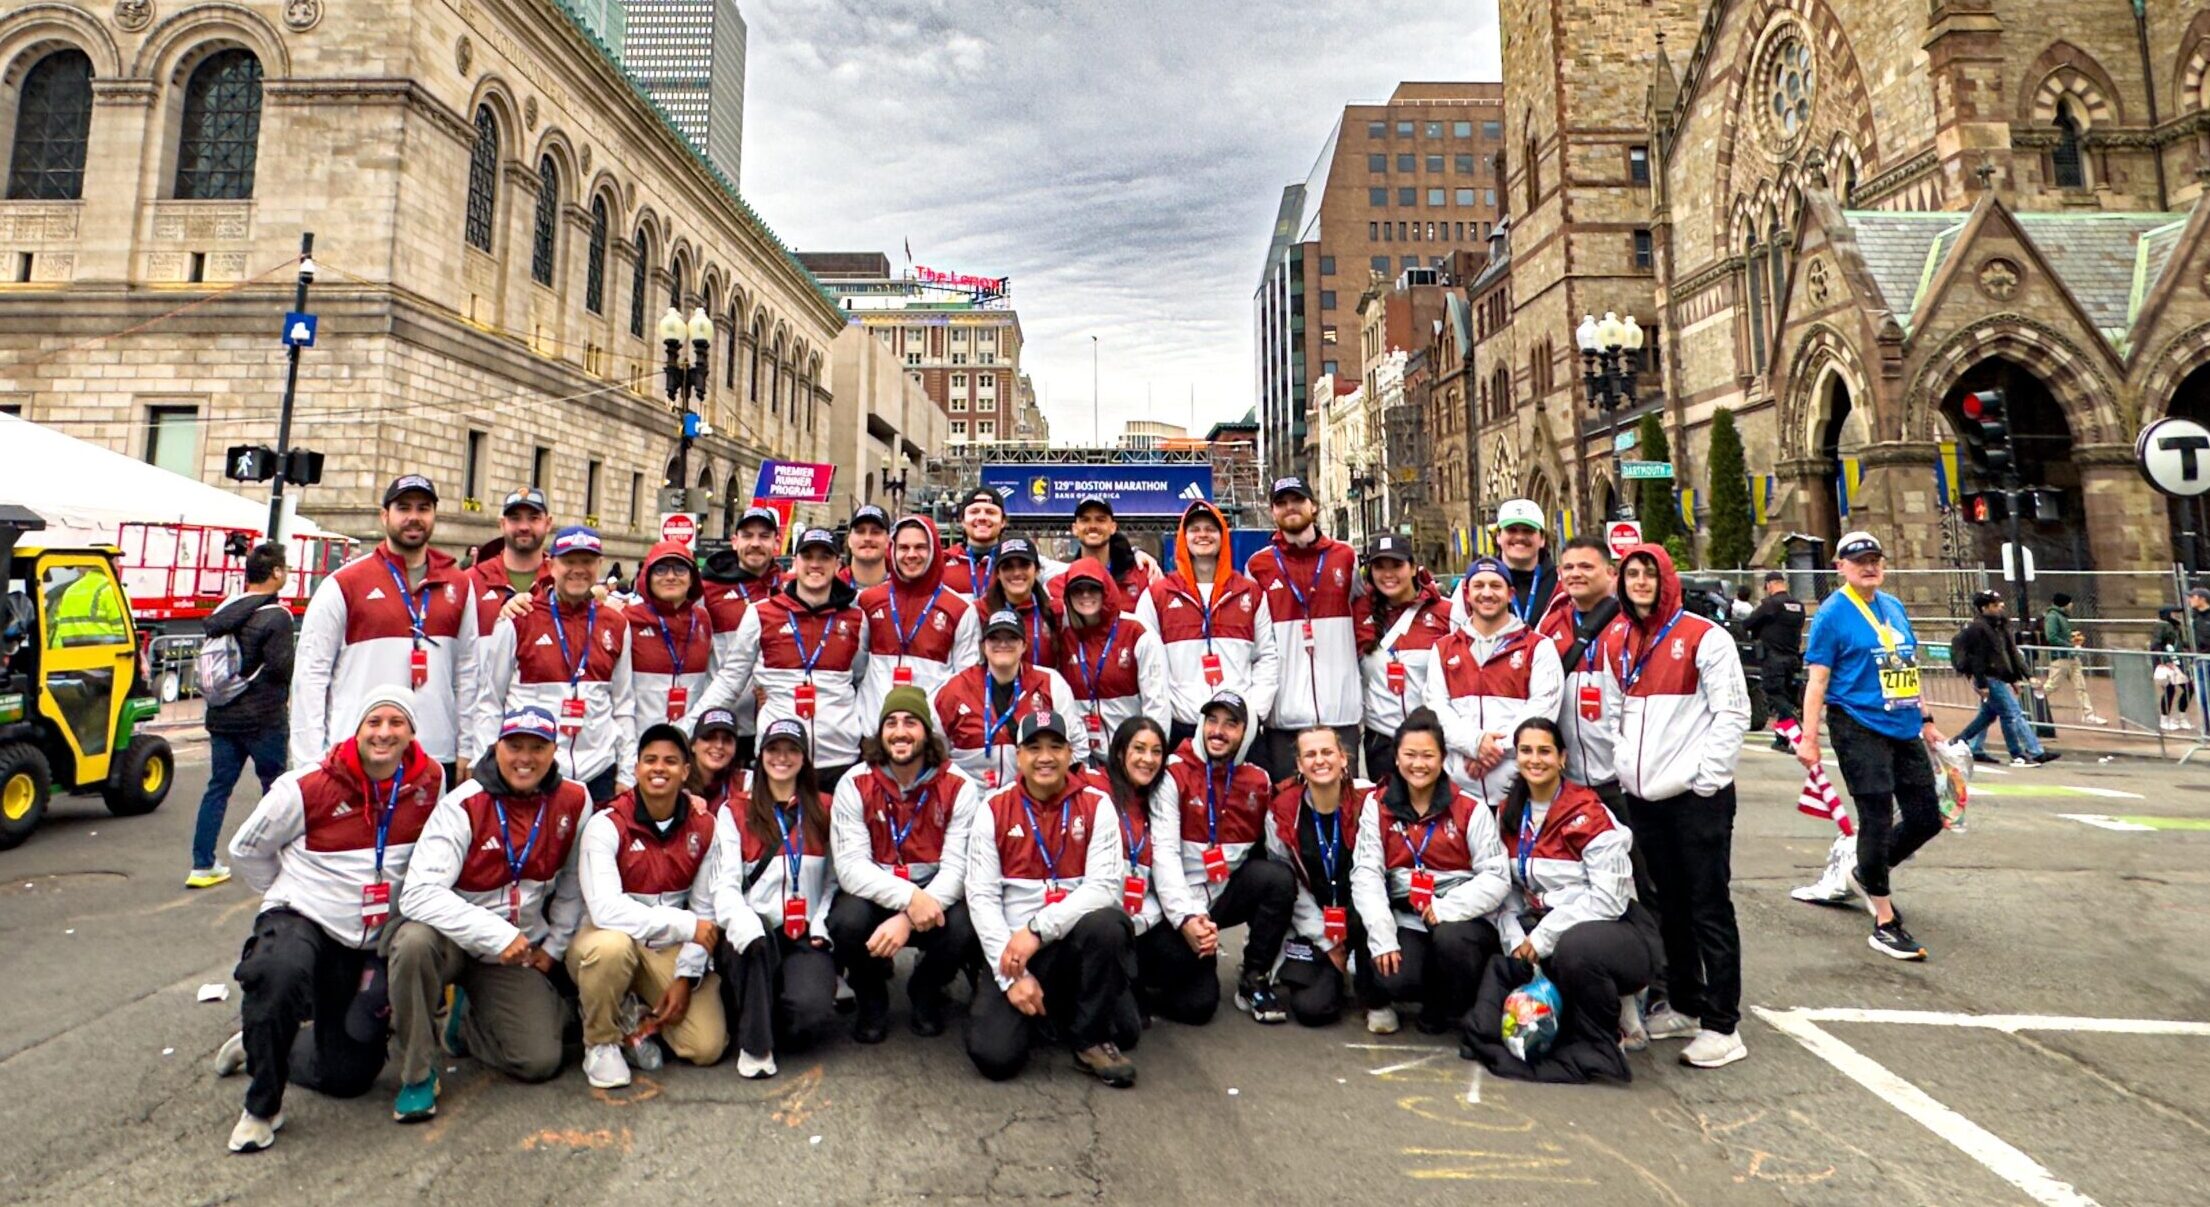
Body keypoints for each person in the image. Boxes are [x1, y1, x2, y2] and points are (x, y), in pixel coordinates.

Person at [217, 686, 445, 1153]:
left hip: (367, 940)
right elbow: (246, 849)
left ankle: (259, 1042)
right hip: (305, 918)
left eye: (395, 723)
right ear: (356, 731)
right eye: (373, 723)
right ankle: (262, 1107)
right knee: (277, 972)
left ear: (412, 732)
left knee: (348, 1077)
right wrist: (286, 894)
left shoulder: (430, 782)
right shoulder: (305, 787)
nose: (384, 733)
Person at [388, 705, 587, 1120]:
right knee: (412, 943)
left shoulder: (574, 799)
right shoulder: (463, 804)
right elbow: (418, 893)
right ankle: (418, 1075)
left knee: (540, 1061)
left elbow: (572, 883)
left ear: (555, 750)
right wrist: (495, 934)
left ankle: (466, 1024)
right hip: (454, 941)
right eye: (514, 746)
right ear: (497, 747)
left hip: (515, 953)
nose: (525, 758)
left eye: (538, 747)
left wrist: (554, 944)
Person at [1595, 543, 1750, 1068]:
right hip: (1645, 798)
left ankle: (1724, 1024)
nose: (1640, 582)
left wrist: (1707, 780)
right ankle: (1686, 1001)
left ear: (1667, 579)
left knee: (1708, 906)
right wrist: (1623, 766)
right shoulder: (1617, 637)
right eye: (1632, 573)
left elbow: (1732, 713)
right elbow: (1612, 710)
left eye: (1649, 574)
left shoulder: (1705, 637)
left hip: (1694, 798)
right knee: (1671, 908)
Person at [1465, 718, 1652, 1083]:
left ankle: (1607, 1034)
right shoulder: (1507, 811)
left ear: (1563, 758)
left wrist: (1542, 937)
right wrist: (1515, 937)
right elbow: (1506, 887)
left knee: (1574, 948)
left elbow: (1608, 900)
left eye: (1545, 751)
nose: (1535, 760)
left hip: (1612, 932)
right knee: (1491, 1027)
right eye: (1526, 751)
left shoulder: (1590, 812)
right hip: (1540, 927)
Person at [1794, 532, 1949, 966]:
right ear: (1840, 566)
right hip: (1856, 723)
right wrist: (1809, 737)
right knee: (1876, 814)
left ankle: (1867, 872)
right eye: (1859, 560)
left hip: (1902, 724)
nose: (1869, 566)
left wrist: (1927, 720)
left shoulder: (1893, 607)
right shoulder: (1831, 615)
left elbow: (1906, 668)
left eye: (1875, 559)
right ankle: (1884, 920)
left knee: (1926, 817)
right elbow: (1818, 681)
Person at [963, 711, 1137, 1086]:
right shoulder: (993, 808)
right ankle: (1040, 1006)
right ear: (1018, 755)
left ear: (1070, 752)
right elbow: (981, 897)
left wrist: (1039, 929)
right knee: (994, 1057)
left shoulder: (1096, 804)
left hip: (1069, 941)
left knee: (1108, 925)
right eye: (1035, 747)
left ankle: (1088, 1039)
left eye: (1056, 747)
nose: (1046, 757)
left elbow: (1105, 886)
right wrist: (1012, 978)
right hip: (1015, 951)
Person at [568, 724, 728, 1089]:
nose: (660, 768)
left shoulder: (704, 825)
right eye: (650, 760)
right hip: (608, 937)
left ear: (686, 771)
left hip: (665, 946)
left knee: (706, 1047)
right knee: (612, 949)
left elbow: (705, 909)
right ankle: (601, 1041)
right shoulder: (606, 824)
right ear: (637, 768)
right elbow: (606, 910)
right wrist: (685, 926)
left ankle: (633, 1016)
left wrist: (686, 977)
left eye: (671, 761)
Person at [292, 475, 475, 780]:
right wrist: (308, 764)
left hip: (434, 755)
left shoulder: (459, 584)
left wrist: (467, 746)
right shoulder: (344, 584)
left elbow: (470, 672)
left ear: (434, 516)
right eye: (404, 508)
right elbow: (310, 676)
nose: (414, 517)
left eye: (423, 508)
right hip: (357, 754)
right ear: (384, 515)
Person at [829, 687, 982, 1042]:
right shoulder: (855, 782)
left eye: (911, 722)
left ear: (926, 733)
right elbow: (851, 868)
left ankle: (925, 990)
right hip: (879, 893)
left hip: (934, 896)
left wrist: (910, 914)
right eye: (891, 723)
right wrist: (908, 900)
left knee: (964, 923)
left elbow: (958, 870)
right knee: (846, 920)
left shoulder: (958, 785)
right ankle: (871, 997)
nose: (900, 732)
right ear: (880, 733)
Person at [1348, 710, 1508, 1034]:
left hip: (1459, 919)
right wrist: (1383, 937)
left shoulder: (1471, 809)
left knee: (1452, 941)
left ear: (1443, 759)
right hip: (1407, 914)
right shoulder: (1376, 805)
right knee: (1391, 965)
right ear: (1395, 758)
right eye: (1409, 755)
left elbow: (1496, 877)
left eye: (1427, 756)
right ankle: (1378, 999)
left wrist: (1446, 908)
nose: (1418, 764)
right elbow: (1367, 873)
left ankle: (1447, 1006)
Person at [1145, 690, 1296, 1025]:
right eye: (1212, 720)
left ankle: (1254, 977)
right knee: (1198, 1007)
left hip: (1221, 893)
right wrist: (1186, 919)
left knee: (1277, 879)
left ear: (1247, 733)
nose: (1218, 731)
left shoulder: (1258, 780)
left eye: (1231, 724)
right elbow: (1164, 858)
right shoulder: (1172, 773)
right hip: (1176, 902)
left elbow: (1274, 852)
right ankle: (1143, 984)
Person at [709, 718, 840, 1078]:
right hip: (754, 935)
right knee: (756, 944)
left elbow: (834, 881)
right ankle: (756, 1048)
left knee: (809, 1014)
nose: (782, 757)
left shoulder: (826, 808)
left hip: (802, 933)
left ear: (804, 758)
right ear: (760, 756)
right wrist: (743, 921)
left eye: (792, 750)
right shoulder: (734, 810)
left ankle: (759, 1012)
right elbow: (724, 885)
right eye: (773, 749)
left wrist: (821, 924)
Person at [695, 527, 870, 787]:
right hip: (778, 757)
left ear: (838, 564)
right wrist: (687, 729)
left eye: (824, 557)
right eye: (807, 556)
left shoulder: (856, 618)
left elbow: (860, 679)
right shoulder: (760, 614)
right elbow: (729, 681)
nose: (815, 564)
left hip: (839, 758)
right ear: (795, 561)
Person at [472, 526, 636, 804]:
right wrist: (484, 767)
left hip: (599, 770)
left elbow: (623, 705)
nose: (578, 570)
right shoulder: (518, 618)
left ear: (599, 565)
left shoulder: (617, 623)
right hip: (535, 770)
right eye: (569, 561)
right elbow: (490, 700)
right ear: (551, 564)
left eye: (586, 561)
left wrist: (627, 773)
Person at [1133, 499, 1278, 757]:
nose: (1203, 535)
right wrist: (1159, 725)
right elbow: (1147, 667)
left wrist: (1254, 713)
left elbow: (1267, 657)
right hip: (1182, 728)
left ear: (1222, 536)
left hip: (1237, 727)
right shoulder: (1157, 594)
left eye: (1210, 529)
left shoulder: (1250, 592)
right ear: (1183, 537)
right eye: (1195, 529)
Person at [191, 542, 294, 889]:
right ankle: (273, 862)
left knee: (218, 788)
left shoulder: (224, 611)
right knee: (276, 790)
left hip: (222, 716)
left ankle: (202, 864)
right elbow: (280, 668)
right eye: (285, 568)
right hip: (264, 718)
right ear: (276, 573)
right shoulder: (276, 616)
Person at [1262, 726, 1381, 1029]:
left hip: (1364, 916)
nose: (1320, 761)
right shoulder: (1282, 809)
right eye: (1310, 754)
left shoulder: (1370, 799)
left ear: (1344, 758)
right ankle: (1334, 974)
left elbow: (1380, 874)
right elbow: (1290, 884)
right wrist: (1325, 940)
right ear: (1300, 765)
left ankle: (1371, 984)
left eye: (1327, 752)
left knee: (1382, 993)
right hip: (1317, 920)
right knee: (1312, 1009)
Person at [1246, 476, 1363, 779]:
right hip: (1285, 717)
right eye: (1281, 503)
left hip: (1340, 712)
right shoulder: (1258, 566)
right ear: (1273, 511)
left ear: (1313, 505)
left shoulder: (1345, 557)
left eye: (1297, 500)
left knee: (1346, 805)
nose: (1290, 508)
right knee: (1289, 807)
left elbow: (1370, 612)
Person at [1426, 557, 1564, 807]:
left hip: (1519, 788)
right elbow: (1437, 708)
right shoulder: (1444, 648)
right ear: (1467, 594)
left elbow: (1543, 708)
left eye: (1495, 586)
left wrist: (1490, 750)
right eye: (1478, 586)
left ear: (1510, 594)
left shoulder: (1538, 647)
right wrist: (1474, 744)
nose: (1487, 593)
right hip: (1459, 792)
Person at [933, 609, 1085, 789]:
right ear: (983, 646)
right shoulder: (955, 688)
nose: (1003, 644)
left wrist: (1050, 787)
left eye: (1011, 638)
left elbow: (1077, 745)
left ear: (1024, 645)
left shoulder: (1050, 683)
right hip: (972, 798)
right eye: (994, 638)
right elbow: (935, 748)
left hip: (1034, 797)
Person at [857, 515, 980, 721]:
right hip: (875, 733)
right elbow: (856, 670)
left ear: (934, 550)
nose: (911, 555)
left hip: (930, 735)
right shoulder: (868, 601)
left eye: (920, 547)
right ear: (892, 550)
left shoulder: (959, 609)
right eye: (904, 548)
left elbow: (964, 681)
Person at [1355, 534, 1454, 783]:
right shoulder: (1359, 612)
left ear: (1412, 568)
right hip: (1381, 741)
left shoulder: (1446, 612)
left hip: (1432, 737)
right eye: (1380, 567)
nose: (1388, 574)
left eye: (1396, 565)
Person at [1096, 716, 1170, 1030]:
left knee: (1200, 1001)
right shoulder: (1093, 789)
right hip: (1099, 919)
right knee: (1126, 1030)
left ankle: (1132, 978)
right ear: (1119, 752)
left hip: (1141, 917)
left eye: (1156, 752)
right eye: (1138, 749)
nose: (1148, 759)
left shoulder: (1160, 799)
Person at [1054, 557, 1171, 756]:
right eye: (1077, 590)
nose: (1085, 595)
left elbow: (1156, 704)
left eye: (1093, 589)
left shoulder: (1137, 632)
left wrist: (1150, 754)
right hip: (1086, 758)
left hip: (1131, 757)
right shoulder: (1064, 636)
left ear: (1106, 589)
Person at [699, 505, 786, 763]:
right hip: (722, 724)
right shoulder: (707, 590)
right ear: (734, 541)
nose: (755, 544)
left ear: (777, 542)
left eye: (764, 536)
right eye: (747, 536)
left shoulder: (787, 590)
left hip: (772, 724)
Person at [1950, 590, 2056, 767]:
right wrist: (1981, 683)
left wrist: (2020, 677)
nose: (2001, 606)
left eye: (2000, 603)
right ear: (1984, 608)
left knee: (1988, 715)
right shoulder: (1978, 628)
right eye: (1995, 604)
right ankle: (2019, 754)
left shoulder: (2002, 625)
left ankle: (1960, 741)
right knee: (2011, 714)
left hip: (1999, 676)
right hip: (1989, 677)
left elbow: (2011, 653)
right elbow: (1978, 658)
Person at [625, 541, 714, 728]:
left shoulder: (703, 620)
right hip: (642, 741)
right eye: (661, 570)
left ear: (692, 579)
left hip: (689, 740)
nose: (671, 577)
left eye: (680, 569)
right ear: (647, 577)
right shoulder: (627, 619)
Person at [941, 486, 1064, 597]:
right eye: (974, 512)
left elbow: (1074, 572)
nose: (982, 517)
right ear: (962, 520)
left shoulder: (1025, 560)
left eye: (990, 512)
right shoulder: (943, 562)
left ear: (1003, 521)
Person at [1453, 498, 1555, 631]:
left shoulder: (1562, 584)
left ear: (1542, 539)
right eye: (1512, 530)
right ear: (1498, 536)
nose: (1519, 537)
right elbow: (1455, 638)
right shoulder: (1471, 586)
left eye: (1528, 531)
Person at [465, 488, 551, 638]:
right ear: (502, 524)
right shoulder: (471, 581)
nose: (524, 527)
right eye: (515, 518)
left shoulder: (560, 581)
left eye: (533, 518)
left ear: (548, 524)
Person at [1742, 570, 1806, 750]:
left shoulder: (1771, 604)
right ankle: (1782, 739)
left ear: (1770, 585)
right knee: (1784, 697)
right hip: (1793, 659)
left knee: (1777, 698)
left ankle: (1798, 739)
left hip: (1773, 660)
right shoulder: (1799, 606)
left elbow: (1748, 623)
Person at [979, 536, 1063, 673]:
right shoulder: (979, 611)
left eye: (1024, 565)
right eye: (1008, 567)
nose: (1017, 573)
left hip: (1044, 691)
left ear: (1037, 570)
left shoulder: (1056, 610)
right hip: (995, 692)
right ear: (997, 574)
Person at [1055, 495, 1152, 612]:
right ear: (1075, 528)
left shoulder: (1142, 576)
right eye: (1085, 520)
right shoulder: (1062, 581)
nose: (1092, 526)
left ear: (1113, 527)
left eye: (1100, 520)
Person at [2040, 593, 2105, 725]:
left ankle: (2088, 714)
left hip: (2071, 656)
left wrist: (2071, 639)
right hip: (2060, 657)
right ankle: (2032, 702)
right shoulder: (2053, 617)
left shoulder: (2061, 616)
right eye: (2070, 602)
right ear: (2064, 603)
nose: (2072, 605)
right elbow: (2051, 637)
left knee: (2080, 686)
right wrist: (2070, 645)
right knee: (2052, 685)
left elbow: (2059, 635)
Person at [2151, 606, 2195, 731]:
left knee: (2188, 689)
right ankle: (2164, 719)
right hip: (2167, 663)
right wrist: (2164, 661)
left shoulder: (2175, 626)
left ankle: (2181, 717)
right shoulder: (2161, 626)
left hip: (2177, 662)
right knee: (2170, 690)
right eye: (2174, 613)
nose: (2177, 615)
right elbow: (2156, 645)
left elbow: (2179, 643)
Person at [840, 504, 892, 591]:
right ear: (849, 539)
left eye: (875, 532)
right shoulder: (830, 588)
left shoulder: (903, 590)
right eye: (860, 531)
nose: (867, 538)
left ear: (888, 540)